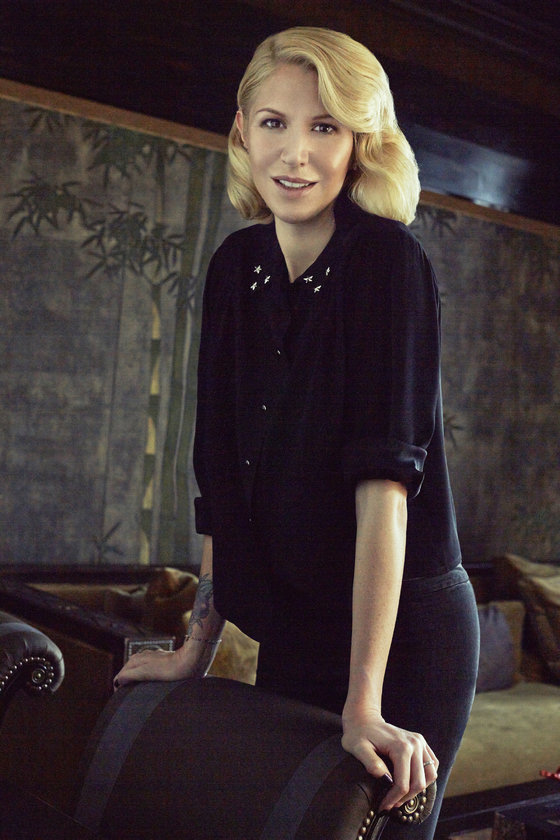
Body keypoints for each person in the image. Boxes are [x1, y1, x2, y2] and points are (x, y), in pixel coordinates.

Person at [114, 26, 480, 837]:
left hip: (402, 633)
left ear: (360, 144)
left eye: (325, 128)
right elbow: (223, 475)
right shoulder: (234, 267)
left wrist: (364, 702)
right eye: (275, 123)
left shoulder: (387, 263)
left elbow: (384, 495)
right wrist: (197, 647)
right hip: (295, 618)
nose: (297, 154)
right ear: (242, 131)